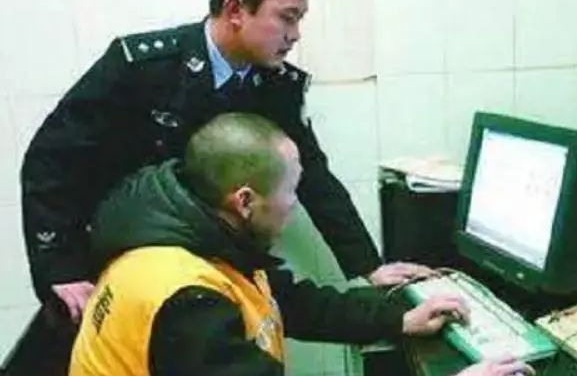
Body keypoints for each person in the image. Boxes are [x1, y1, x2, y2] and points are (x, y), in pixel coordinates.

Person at [21, 0, 425, 322]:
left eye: (299, 19)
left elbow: (313, 176)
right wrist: (59, 268)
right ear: (235, 10)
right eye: (286, 18)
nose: (295, 35)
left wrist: (368, 266)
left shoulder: (275, 85)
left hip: (220, 266)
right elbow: (52, 158)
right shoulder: (143, 68)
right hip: (133, 262)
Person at [68, 112, 530, 376]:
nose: (293, 206)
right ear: (244, 201)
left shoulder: (196, 243)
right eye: (290, 191)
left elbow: (289, 303)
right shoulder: (185, 299)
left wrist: (399, 317)